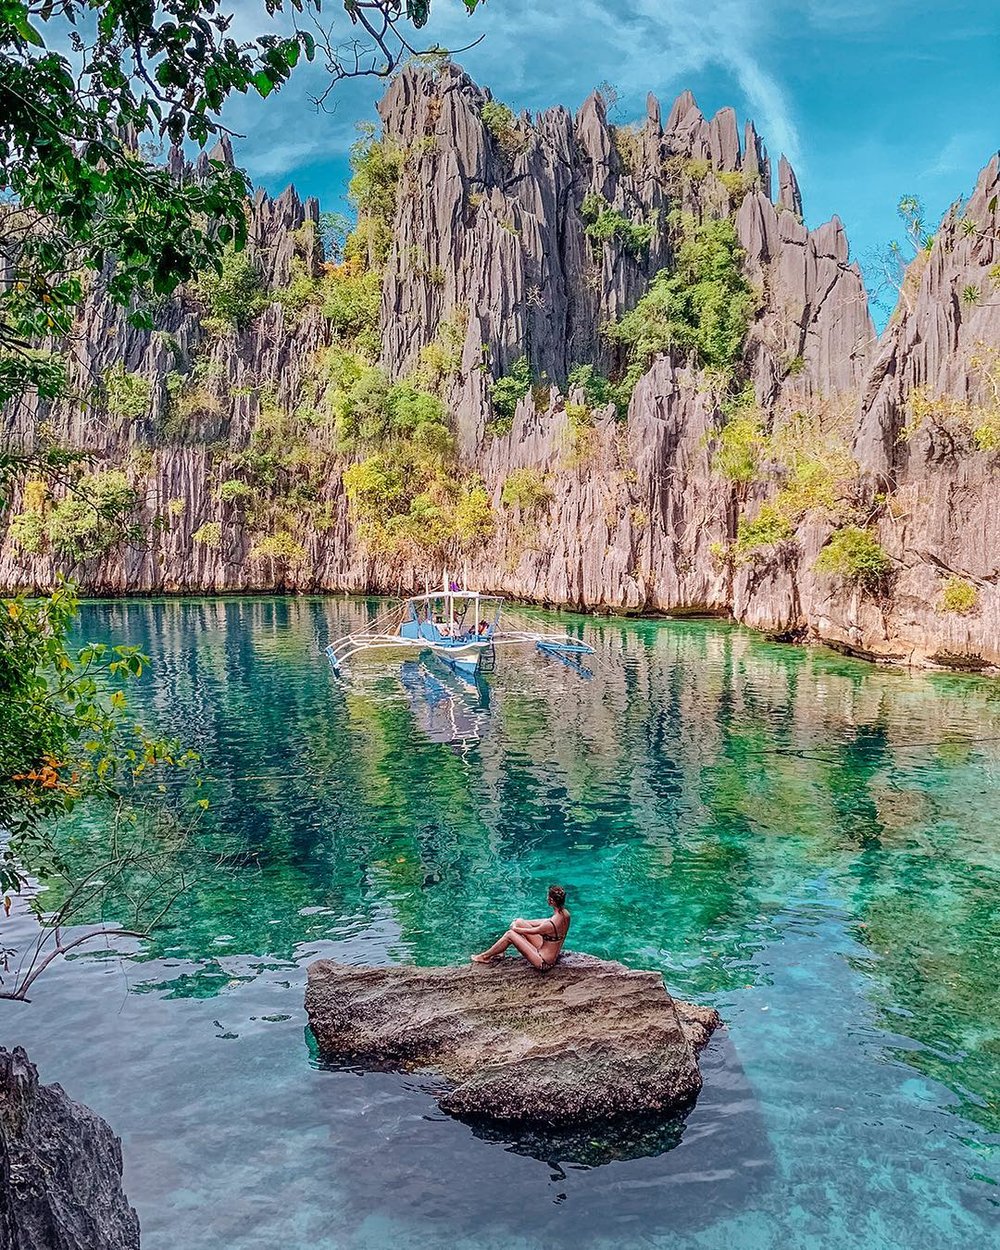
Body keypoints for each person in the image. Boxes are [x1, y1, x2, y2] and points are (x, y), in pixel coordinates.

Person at [471, 886, 570, 971]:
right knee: (519, 922)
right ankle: (499, 951)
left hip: (544, 962)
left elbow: (531, 931)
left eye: (547, 897)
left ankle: (485, 957)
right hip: (549, 953)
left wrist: (515, 928)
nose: (546, 898)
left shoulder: (550, 925)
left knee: (510, 935)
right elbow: (544, 921)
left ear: (551, 901)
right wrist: (520, 922)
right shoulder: (565, 914)